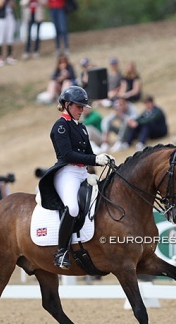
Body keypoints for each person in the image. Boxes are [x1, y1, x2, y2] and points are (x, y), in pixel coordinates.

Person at [37, 86, 114, 269]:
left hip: (82, 173)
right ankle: (61, 252)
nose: (82, 110)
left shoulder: (83, 128)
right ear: (67, 104)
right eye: (78, 106)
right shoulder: (61, 126)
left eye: (83, 106)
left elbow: (88, 153)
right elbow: (68, 155)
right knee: (72, 208)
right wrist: (95, 159)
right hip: (67, 173)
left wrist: (97, 167)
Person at [0, 0, 18, 67]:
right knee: (0, 37)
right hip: (1, 17)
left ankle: (9, 56)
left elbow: (13, 6)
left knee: (10, 37)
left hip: (10, 16)